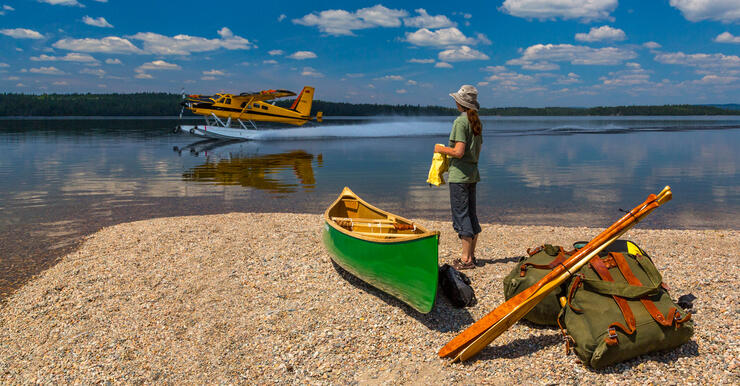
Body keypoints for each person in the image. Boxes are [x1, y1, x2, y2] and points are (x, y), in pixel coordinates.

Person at [434, 85, 483, 270]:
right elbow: (475, 150)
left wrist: (440, 149)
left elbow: (459, 151)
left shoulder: (460, 122)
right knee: (470, 214)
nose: (455, 102)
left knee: (461, 216)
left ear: (460, 103)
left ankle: (465, 260)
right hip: (472, 175)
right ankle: (471, 256)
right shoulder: (476, 121)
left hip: (460, 176)